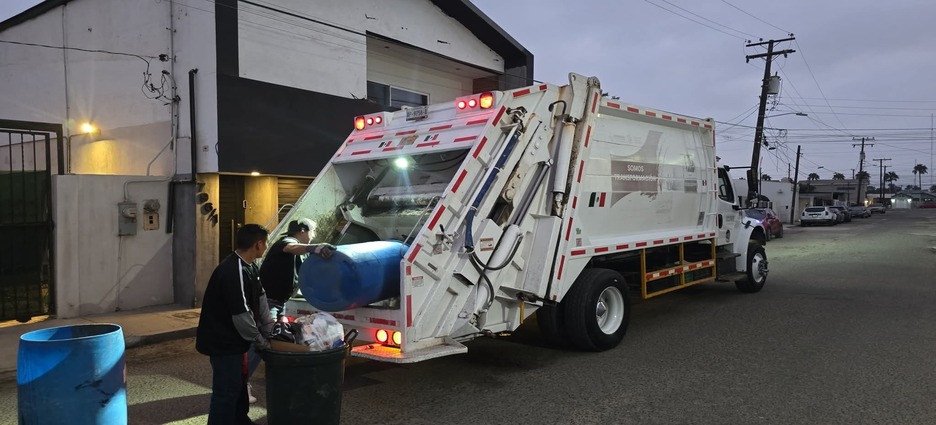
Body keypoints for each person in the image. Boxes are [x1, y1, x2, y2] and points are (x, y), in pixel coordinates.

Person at [196, 224, 275, 425]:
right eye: (265, 242)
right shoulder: (233, 271)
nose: (266, 246)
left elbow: (261, 298)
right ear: (258, 244)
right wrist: (260, 341)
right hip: (223, 343)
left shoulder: (250, 266)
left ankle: (240, 420)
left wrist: (270, 329)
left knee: (239, 386)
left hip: (237, 342)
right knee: (226, 392)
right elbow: (241, 315)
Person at [259, 218, 335, 316]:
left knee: (278, 329)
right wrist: (315, 247)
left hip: (281, 301)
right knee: (269, 330)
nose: (313, 235)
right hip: (270, 301)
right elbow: (290, 247)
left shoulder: (302, 250)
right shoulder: (287, 241)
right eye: (312, 231)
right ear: (302, 231)